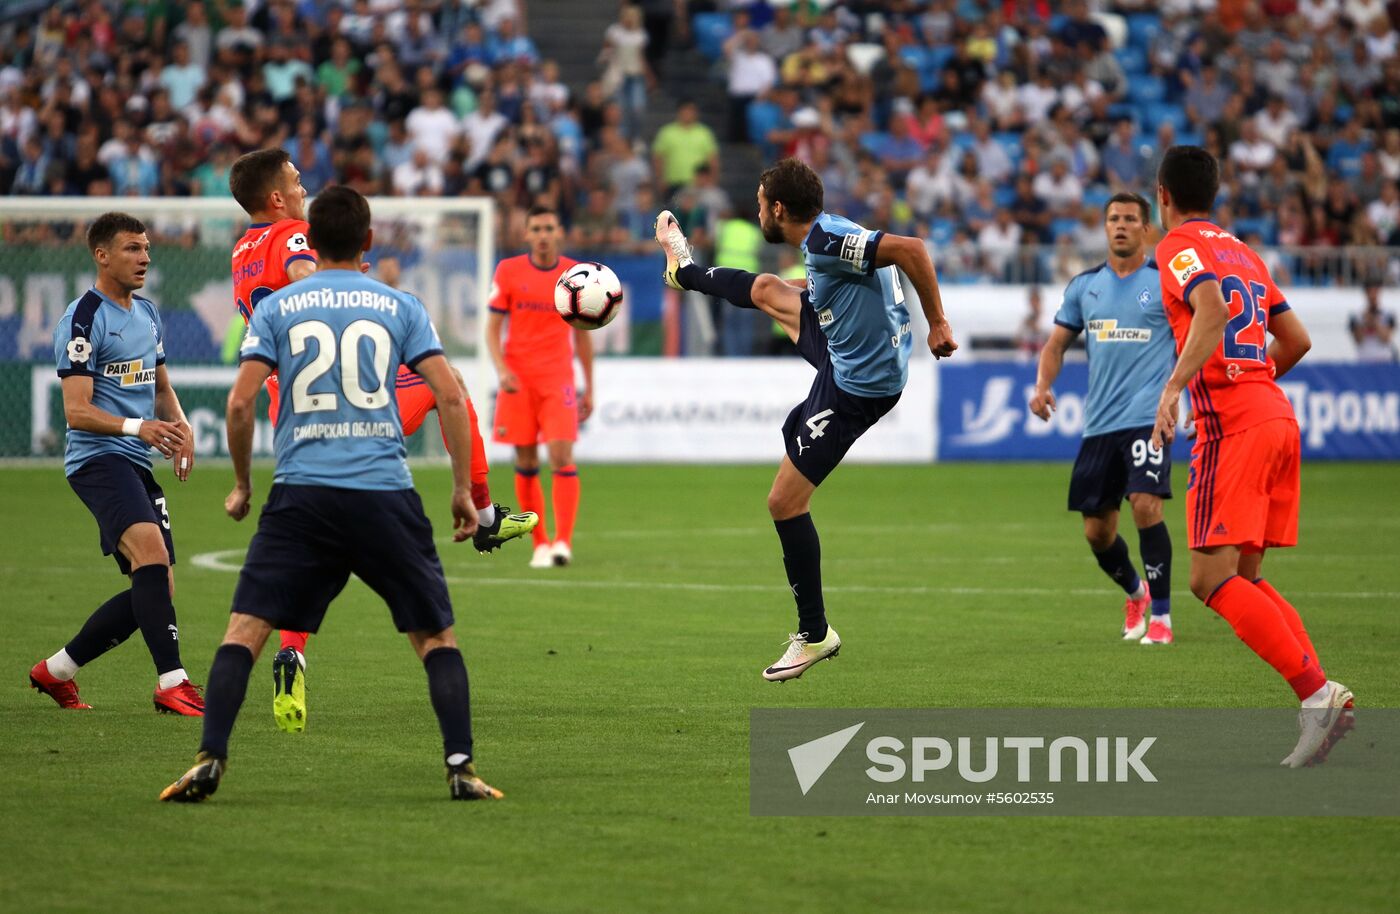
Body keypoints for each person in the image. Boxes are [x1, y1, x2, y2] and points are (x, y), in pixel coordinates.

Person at [160, 186, 502, 803]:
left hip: (302, 495)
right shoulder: (399, 304)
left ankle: (209, 759)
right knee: (434, 638)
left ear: (310, 241)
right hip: (383, 492)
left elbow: (239, 403)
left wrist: (243, 483)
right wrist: (461, 491)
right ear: (368, 240)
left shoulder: (278, 308)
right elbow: (451, 396)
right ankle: (461, 768)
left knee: (244, 630)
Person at [228, 148, 534, 733]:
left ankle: (290, 653)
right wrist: (356, 286)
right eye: (296, 181)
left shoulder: (243, 250)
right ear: (277, 198)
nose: (303, 188)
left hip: (293, 409)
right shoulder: (292, 234)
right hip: (345, 397)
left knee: (310, 554)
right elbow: (308, 284)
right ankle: (484, 513)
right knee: (451, 387)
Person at [654, 157, 958, 681]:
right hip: (845, 349)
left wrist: (938, 322)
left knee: (784, 502)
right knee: (769, 289)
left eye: (759, 204)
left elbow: (912, 249)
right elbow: (845, 274)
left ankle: (816, 634)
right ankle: (684, 270)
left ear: (777, 208)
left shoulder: (825, 240)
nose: (757, 214)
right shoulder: (829, 236)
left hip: (858, 386)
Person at [1151, 145, 1353, 768]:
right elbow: (1296, 339)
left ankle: (1315, 695)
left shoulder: (1176, 245)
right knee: (1245, 576)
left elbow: (1211, 308)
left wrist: (1175, 387)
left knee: (1208, 579)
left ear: (1162, 196)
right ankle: (1321, 694)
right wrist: (1253, 379)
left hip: (1234, 428)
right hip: (1275, 416)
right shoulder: (1245, 252)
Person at [30, 212, 204, 716]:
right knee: (151, 555)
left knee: (156, 585)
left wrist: (182, 426)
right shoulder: (83, 319)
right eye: (132, 248)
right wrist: (138, 427)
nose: (144, 257)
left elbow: (161, 386)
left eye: (146, 248)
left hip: (134, 462)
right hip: (97, 460)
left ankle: (57, 670)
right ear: (102, 255)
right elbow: (76, 411)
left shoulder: (147, 313)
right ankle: (173, 682)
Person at [1030, 193, 1178, 645]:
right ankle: (1137, 593)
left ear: (1147, 229)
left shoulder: (1166, 283)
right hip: (1100, 423)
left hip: (1147, 417)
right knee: (1097, 533)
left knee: (1146, 504)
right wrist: (1043, 385)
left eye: (1131, 219)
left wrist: (1177, 394)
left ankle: (1163, 618)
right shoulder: (1084, 286)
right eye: (1114, 218)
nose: (1121, 225)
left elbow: (1195, 338)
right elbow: (1056, 345)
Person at [486, 205, 595, 568]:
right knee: (526, 461)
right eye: (536, 229)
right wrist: (501, 369)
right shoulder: (508, 270)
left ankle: (563, 542)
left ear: (559, 232)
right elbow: (492, 329)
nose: (543, 235)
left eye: (549, 228)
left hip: (558, 378)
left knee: (562, 457)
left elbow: (583, 335)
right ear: (526, 234)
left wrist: (590, 385)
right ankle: (540, 543)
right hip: (518, 380)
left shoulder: (575, 274)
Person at [1349, 281, 1398, 362]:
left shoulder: (1388, 314)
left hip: (1384, 360)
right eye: (1370, 292)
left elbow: (1386, 339)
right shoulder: (1356, 315)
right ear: (1366, 294)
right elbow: (1358, 340)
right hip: (1364, 359)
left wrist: (1374, 322)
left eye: (1375, 292)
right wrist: (1365, 323)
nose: (1372, 295)